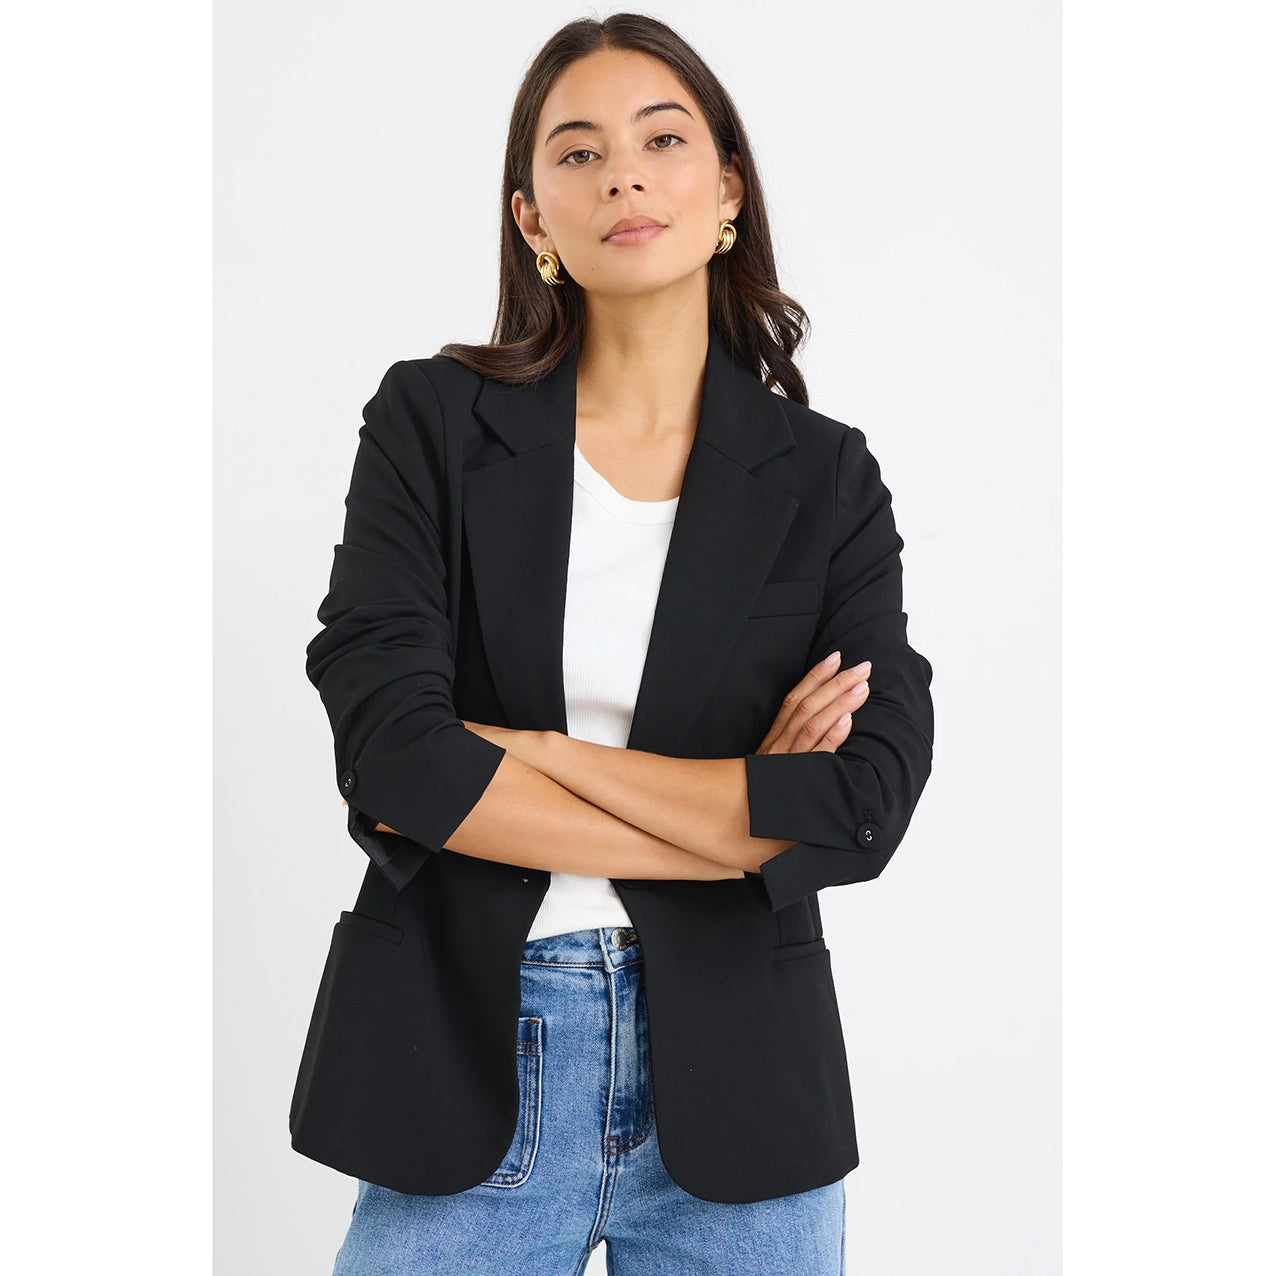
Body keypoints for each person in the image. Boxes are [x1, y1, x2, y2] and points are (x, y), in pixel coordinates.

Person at [293, 13, 935, 1275]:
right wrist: (737, 828)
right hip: (466, 1066)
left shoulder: (825, 478)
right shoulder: (431, 423)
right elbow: (396, 758)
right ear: (532, 215)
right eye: (578, 153)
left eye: (662, 141)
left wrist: (534, 754)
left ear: (727, 190)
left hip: (743, 1096)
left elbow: (860, 805)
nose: (624, 178)